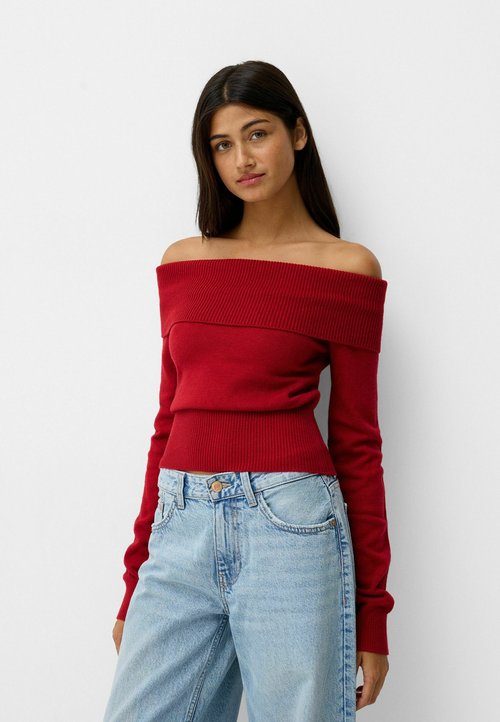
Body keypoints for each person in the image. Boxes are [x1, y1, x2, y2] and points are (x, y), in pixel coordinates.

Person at [103, 59, 395, 722]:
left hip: (292, 528)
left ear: (298, 134)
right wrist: (136, 577)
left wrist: (372, 615)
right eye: (221, 144)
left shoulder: (346, 268)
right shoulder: (184, 262)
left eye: (257, 133)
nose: (242, 159)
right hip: (180, 525)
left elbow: (357, 443)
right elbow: (168, 423)